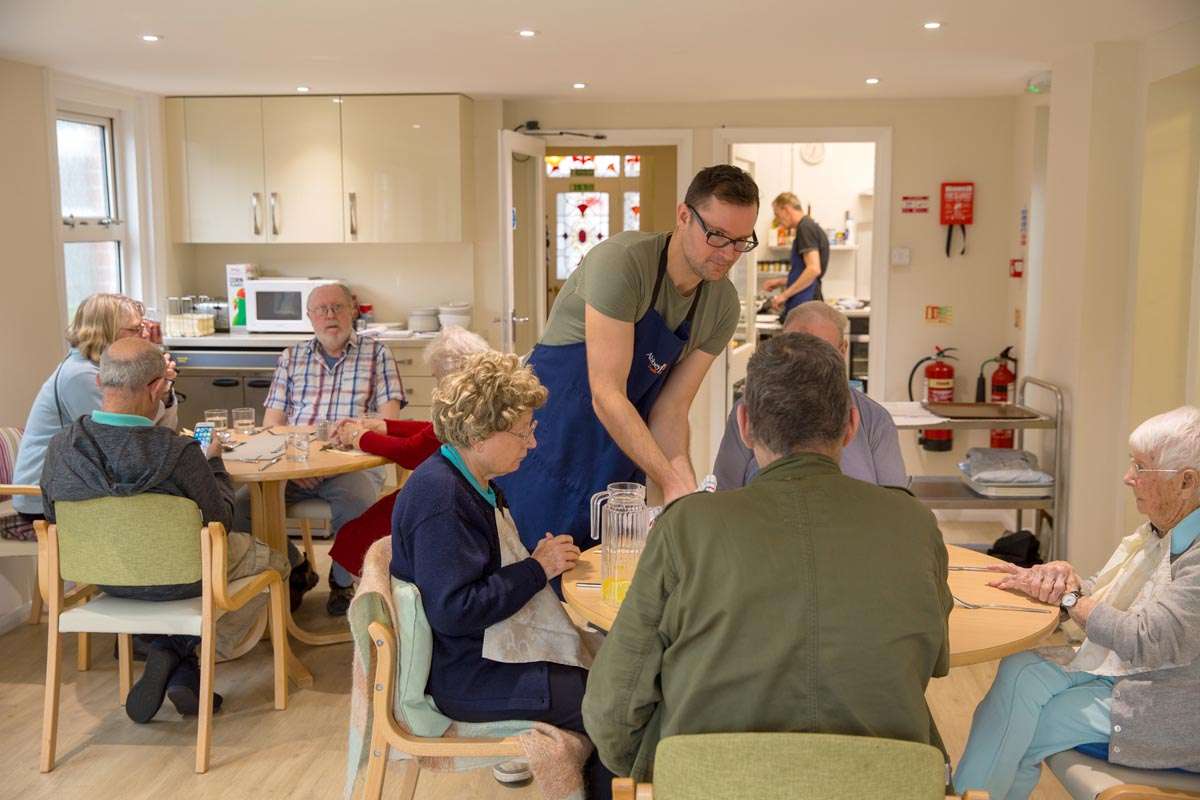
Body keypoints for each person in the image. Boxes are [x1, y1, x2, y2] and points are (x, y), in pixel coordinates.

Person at [582, 333, 952, 782]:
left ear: (744, 425)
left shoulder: (687, 527)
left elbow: (611, 712)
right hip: (881, 783)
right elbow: (934, 660)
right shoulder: (912, 524)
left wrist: (661, 773)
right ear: (852, 426)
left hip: (713, 785)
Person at [497, 165, 758, 551]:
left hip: (620, 455)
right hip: (549, 442)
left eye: (740, 242)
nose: (727, 255)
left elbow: (669, 411)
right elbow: (607, 393)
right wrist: (669, 481)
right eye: (717, 236)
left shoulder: (720, 307)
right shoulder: (622, 263)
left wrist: (683, 484)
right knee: (531, 575)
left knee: (606, 580)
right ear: (684, 216)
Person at [391, 351, 612, 799]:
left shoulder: (468, 480)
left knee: (612, 675)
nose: (531, 443)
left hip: (479, 654)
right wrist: (537, 567)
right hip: (466, 674)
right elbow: (456, 611)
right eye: (523, 431)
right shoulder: (442, 500)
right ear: (480, 433)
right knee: (610, 707)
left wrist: (537, 562)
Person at [954, 405, 1200, 799]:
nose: (1128, 477)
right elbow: (1114, 596)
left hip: (1175, 711)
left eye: (1141, 468)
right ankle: (972, 795)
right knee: (1020, 669)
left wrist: (1070, 597)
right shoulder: (1164, 531)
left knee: (1031, 725)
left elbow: (1144, 637)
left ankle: (969, 795)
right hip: (1143, 676)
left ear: (1186, 482)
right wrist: (1061, 580)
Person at [39, 338, 289, 724]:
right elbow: (219, 519)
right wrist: (216, 465)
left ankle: (175, 655)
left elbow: (52, 513)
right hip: (184, 579)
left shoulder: (61, 448)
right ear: (157, 388)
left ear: (102, 383)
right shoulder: (180, 453)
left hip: (104, 578)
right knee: (277, 560)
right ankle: (178, 650)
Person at [253, 282, 406, 615]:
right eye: (321, 310)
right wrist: (297, 463)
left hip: (353, 463)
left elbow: (388, 423)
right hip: (297, 463)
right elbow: (273, 425)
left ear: (352, 310)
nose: (330, 315)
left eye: (337, 307)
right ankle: (294, 568)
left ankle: (342, 582)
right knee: (243, 505)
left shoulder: (377, 354)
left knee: (357, 502)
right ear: (309, 317)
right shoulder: (291, 357)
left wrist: (330, 459)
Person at [326, 326, 491, 578]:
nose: (437, 383)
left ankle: (376, 597)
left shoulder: (461, 402)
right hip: (458, 489)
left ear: (452, 373)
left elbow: (411, 453)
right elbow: (432, 431)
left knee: (357, 533)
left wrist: (359, 437)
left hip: (447, 495)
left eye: (438, 376)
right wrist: (386, 426)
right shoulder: (479, 395)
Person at [13, 293, 178, 523]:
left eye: (143, 327)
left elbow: (151, 435)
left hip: (81, 488)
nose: (144, 336)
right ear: (104, 332)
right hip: (46, 499)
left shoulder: (110, 371)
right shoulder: (81, 376)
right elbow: (124, 444)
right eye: (134, 330)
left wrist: (163, 388)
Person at [712, 301, 906, 489]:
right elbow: (725, 489)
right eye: (795, 351)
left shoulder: (874, 420)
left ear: (842, 350)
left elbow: (893, 506)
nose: (807, 366)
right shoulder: (752, 408)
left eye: (822, 354)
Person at [762, 192, 830, 315]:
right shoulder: (808, 226)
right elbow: (803, 273)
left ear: (786, 209)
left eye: (777, 214)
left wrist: (784, 295)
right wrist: (778, 282)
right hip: (805, 301)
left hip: (805, 303)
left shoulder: (805, 228)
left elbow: (813, 269)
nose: (777, 220)